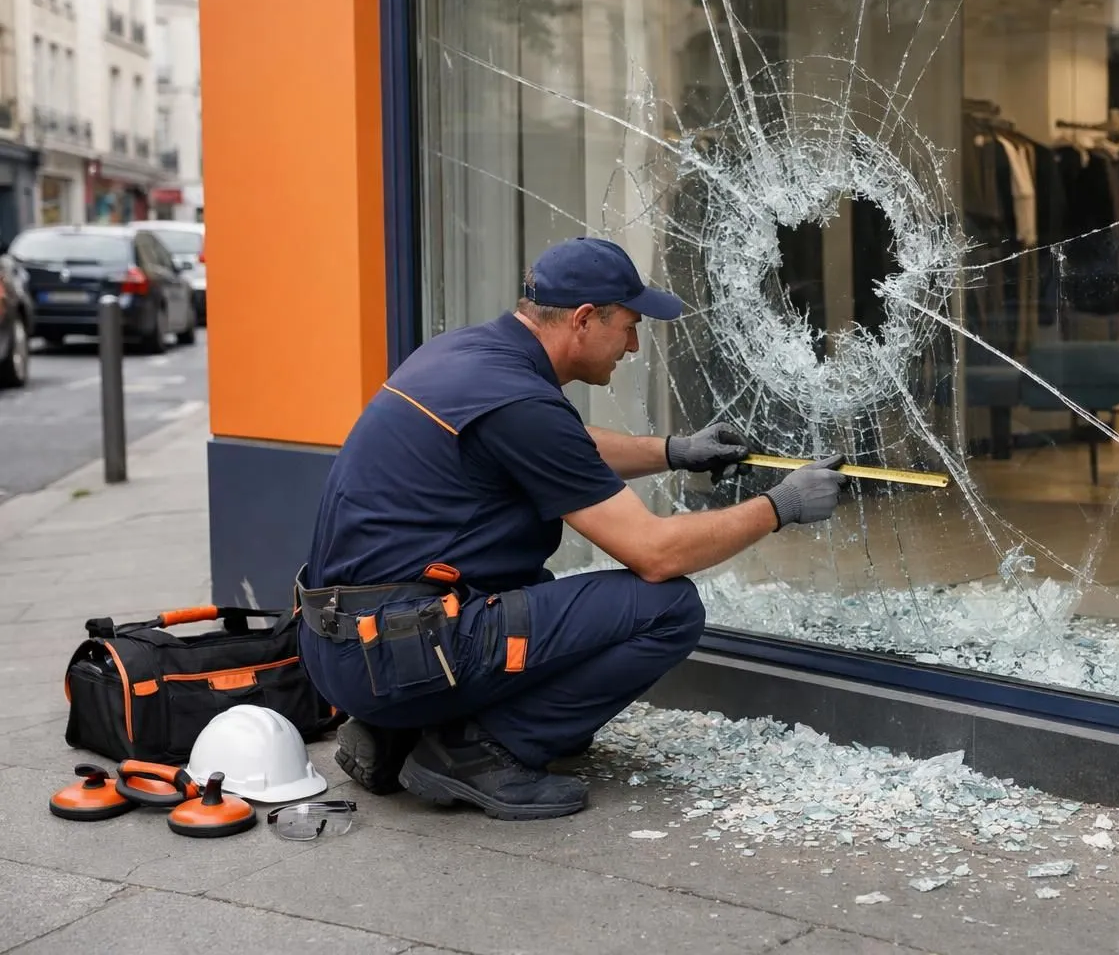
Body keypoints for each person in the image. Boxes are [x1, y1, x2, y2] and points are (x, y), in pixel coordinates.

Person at [293, 236, 848, 821]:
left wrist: (674, 451)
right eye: (629, 326)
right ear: (585, 319)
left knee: (527, 578)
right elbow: (655, 553)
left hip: (346, 640)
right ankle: (474, 751)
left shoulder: (467, 357)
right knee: (666, 609)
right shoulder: (518, 400)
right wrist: (778, 506)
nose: (633, 345)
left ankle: (397, 733)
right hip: (389, 652)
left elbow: (568, 445)